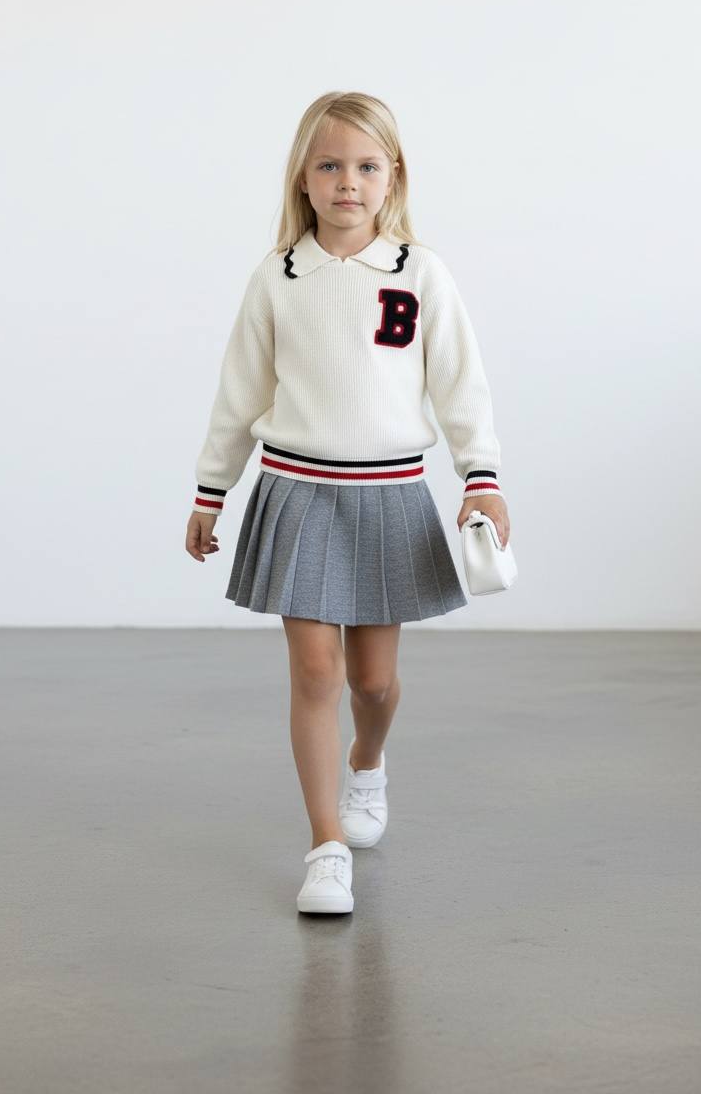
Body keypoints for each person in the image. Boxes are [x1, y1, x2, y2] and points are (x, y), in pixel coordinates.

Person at [184, 91, 511, 915]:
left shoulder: (418, 273)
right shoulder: (279, 277)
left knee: (374, 682)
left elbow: (460, 384)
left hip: (388, 497)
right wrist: (211, 490)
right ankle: (326, 845)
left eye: (366, 166)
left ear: (393, 176)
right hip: (297, 495)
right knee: (314, 673)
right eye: (329, 165)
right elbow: (238, 394)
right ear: (303, 177)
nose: (347, 183)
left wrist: (481, 476)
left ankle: (368, 760)